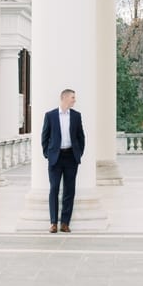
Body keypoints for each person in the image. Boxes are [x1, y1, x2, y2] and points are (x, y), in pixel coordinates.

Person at [41, 88, 85, 233]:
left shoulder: (76, 116)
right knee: (54, 189)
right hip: (55, 158)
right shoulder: (50, 115)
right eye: (73, 97)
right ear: (65, 98)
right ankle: (53, 223)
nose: (74, 100)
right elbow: (44, 137)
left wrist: (78, 153)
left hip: (71, 157)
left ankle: (65, 223)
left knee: (69, 190)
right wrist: (48, 154)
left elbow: (81, 137)